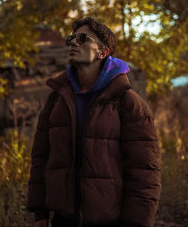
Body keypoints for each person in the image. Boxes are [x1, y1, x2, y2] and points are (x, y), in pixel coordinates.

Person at [27, 17, 161, 227]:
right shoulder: (56, 99)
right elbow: (41, 158)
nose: (73, 42)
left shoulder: (128, 103)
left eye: (82, 38)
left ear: (103, 52)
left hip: (110, 220)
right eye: (71, 38)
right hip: (63, 220)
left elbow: (144, 171)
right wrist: (40, 214)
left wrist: (137, 222)